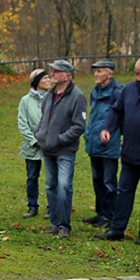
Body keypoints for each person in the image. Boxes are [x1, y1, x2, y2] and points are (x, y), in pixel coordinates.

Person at [96, 55, 140, 245]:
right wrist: (107, 128)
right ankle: (117, 228)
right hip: (130, 153)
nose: (139, 78)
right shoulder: (129, 89)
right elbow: (116, 110)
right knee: (124, 192)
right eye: (137, 74)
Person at [34, 59, 87, 239]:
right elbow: (43, 118)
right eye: (53, 71)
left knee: (64, 186)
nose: (53, 74)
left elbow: (79, 126)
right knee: (51, 187)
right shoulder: (49, 95)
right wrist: (39, 133)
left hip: (65, 151)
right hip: (47, 149)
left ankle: (65, 225)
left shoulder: (77, 96)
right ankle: (55, 224)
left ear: (67, 75)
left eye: (57, 71)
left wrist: (59, 139)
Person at [82, 59, 122, 230]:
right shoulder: (95, 92)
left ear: (110, 73)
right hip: (94, 143)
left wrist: (120, 137)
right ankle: (100, 213)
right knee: (97, 180)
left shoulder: (117, 92)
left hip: (108, 145)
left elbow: (122, 117)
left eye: (100, 71)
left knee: (109, 181)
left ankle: (109, 215)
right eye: (95, 71)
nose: (96, 75)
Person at [18, 69, 52, 218]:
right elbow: (22, 123)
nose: (49, 80)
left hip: (51, 145)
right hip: (32, 147)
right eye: (45, 78)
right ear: (37, 82)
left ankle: (52, 208)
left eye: (49, 77)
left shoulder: (54, 98)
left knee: (52, 178)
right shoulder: (25, 101)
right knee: (32, 177)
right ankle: (32, 206)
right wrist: (33, 141)